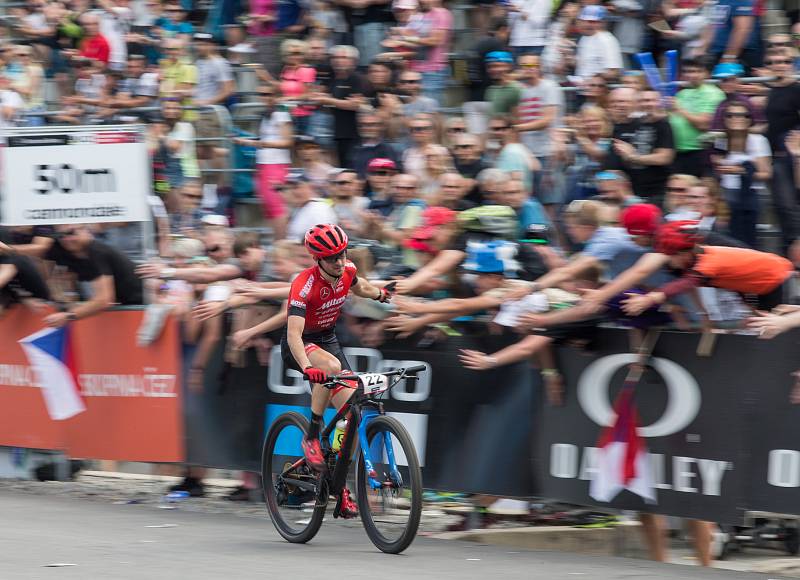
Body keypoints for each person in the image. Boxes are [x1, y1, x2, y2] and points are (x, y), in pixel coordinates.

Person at [284, 224, 393, 518]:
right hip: (301, 343)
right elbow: (294, 334)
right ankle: (311, 436)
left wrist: (380, 294)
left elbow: (362, 287)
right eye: (332, 257)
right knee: (330, 368)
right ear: (317, 259)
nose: (339, 261)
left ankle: (338, 488)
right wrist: (307, 367)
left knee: (352, 414)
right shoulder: (304, 284)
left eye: (342, 254)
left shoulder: (346, 270)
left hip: (328, 341)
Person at [621, 220, 795, 316]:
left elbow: (686, 283)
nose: (669, 263)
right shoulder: (699, 259)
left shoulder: (710, 262)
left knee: (781, 333)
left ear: (684, 253)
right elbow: (737, 281)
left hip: (780, 280)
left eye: (670, 257)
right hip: (763, 286)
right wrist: (751, 307)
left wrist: (649, 299)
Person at [233, 85, 294, 240]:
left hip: (276, 164)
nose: (265, 97)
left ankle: (282, 242)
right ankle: (278, 241)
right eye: (262, 94)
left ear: (276, 96)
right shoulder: (267, 115)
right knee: (269, 207)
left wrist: (258, 144)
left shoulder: (281, 113)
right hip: (265, 164)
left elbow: (287, 141)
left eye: (268, 94)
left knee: (276, 207)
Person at [711, 102, 772, 247]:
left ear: (749, 119)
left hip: (750, 194)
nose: (736, 118)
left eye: (741, 115)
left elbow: (766, 174)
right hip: (725, 194)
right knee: (726, 237)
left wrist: (739, 171)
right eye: (730, 115)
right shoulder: (720, 140)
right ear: (724, 119)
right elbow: (718, 169)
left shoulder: (758, 140)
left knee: (745, 239)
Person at [606, 88, 675, 202]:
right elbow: (614, 163)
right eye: (614, 102)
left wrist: (632, 157)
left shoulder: (661, 123)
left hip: (656, 192)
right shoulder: (620, 126)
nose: (618, 105)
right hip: (628, 194)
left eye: (623, 101)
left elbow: (664, 157)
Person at [668, 58, 725, 177]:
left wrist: (679, 109)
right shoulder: (682, 93)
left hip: (699, 153)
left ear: (706, 73)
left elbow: (703, 124)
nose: (690, 75)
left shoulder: (713, 93)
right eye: (687, 71)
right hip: (677, 153)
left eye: (696, 71)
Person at [574, 5, 622, 83]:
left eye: (592, 22)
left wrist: (594, 78)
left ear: (602, 22)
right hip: (581, 86)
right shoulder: (584, 38)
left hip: (599, 88)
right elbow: (582, 65)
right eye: (584, 21)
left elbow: (613, 72)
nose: (587, 24)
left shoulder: (607, 40)